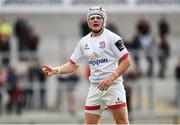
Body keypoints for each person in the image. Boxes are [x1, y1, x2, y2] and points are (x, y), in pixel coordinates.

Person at [42, 6, 131, 124]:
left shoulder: (113, 38)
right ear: (88, 22)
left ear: (103, 20)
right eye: (92, 18)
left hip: (113, 86)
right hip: (95, 88)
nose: (95, 20)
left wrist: (111, 78)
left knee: (122, 122)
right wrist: (55, 70)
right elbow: (72, 65)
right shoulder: (83, 42)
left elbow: (127, 61)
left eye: (98, 17)